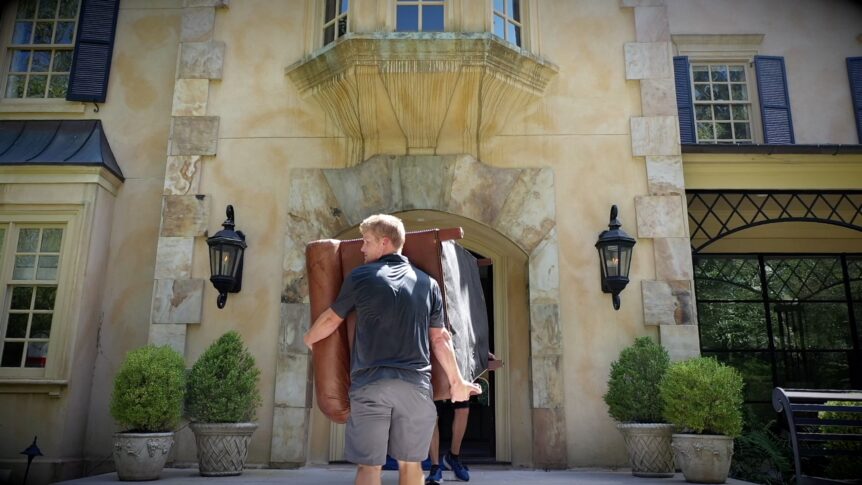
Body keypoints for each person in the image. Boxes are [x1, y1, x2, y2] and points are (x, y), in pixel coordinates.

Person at [304, 214, 481, 485]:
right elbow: (441, 340)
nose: (362, 249)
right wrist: (457, 383)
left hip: (370, 386)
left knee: (369, 468)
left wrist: (309, 339)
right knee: (411, 467)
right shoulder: (428, 284)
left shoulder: (360, 276)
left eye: (366, 242)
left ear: (384, 242)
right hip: (415, 388)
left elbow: (331, 320)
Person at [426, 355, 503, 484]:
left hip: (459, 363)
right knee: (432, 414)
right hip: (435, 361)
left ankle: (453, 457)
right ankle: (435, 466)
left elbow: (473, 335)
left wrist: (483, 351)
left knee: (463, 409)